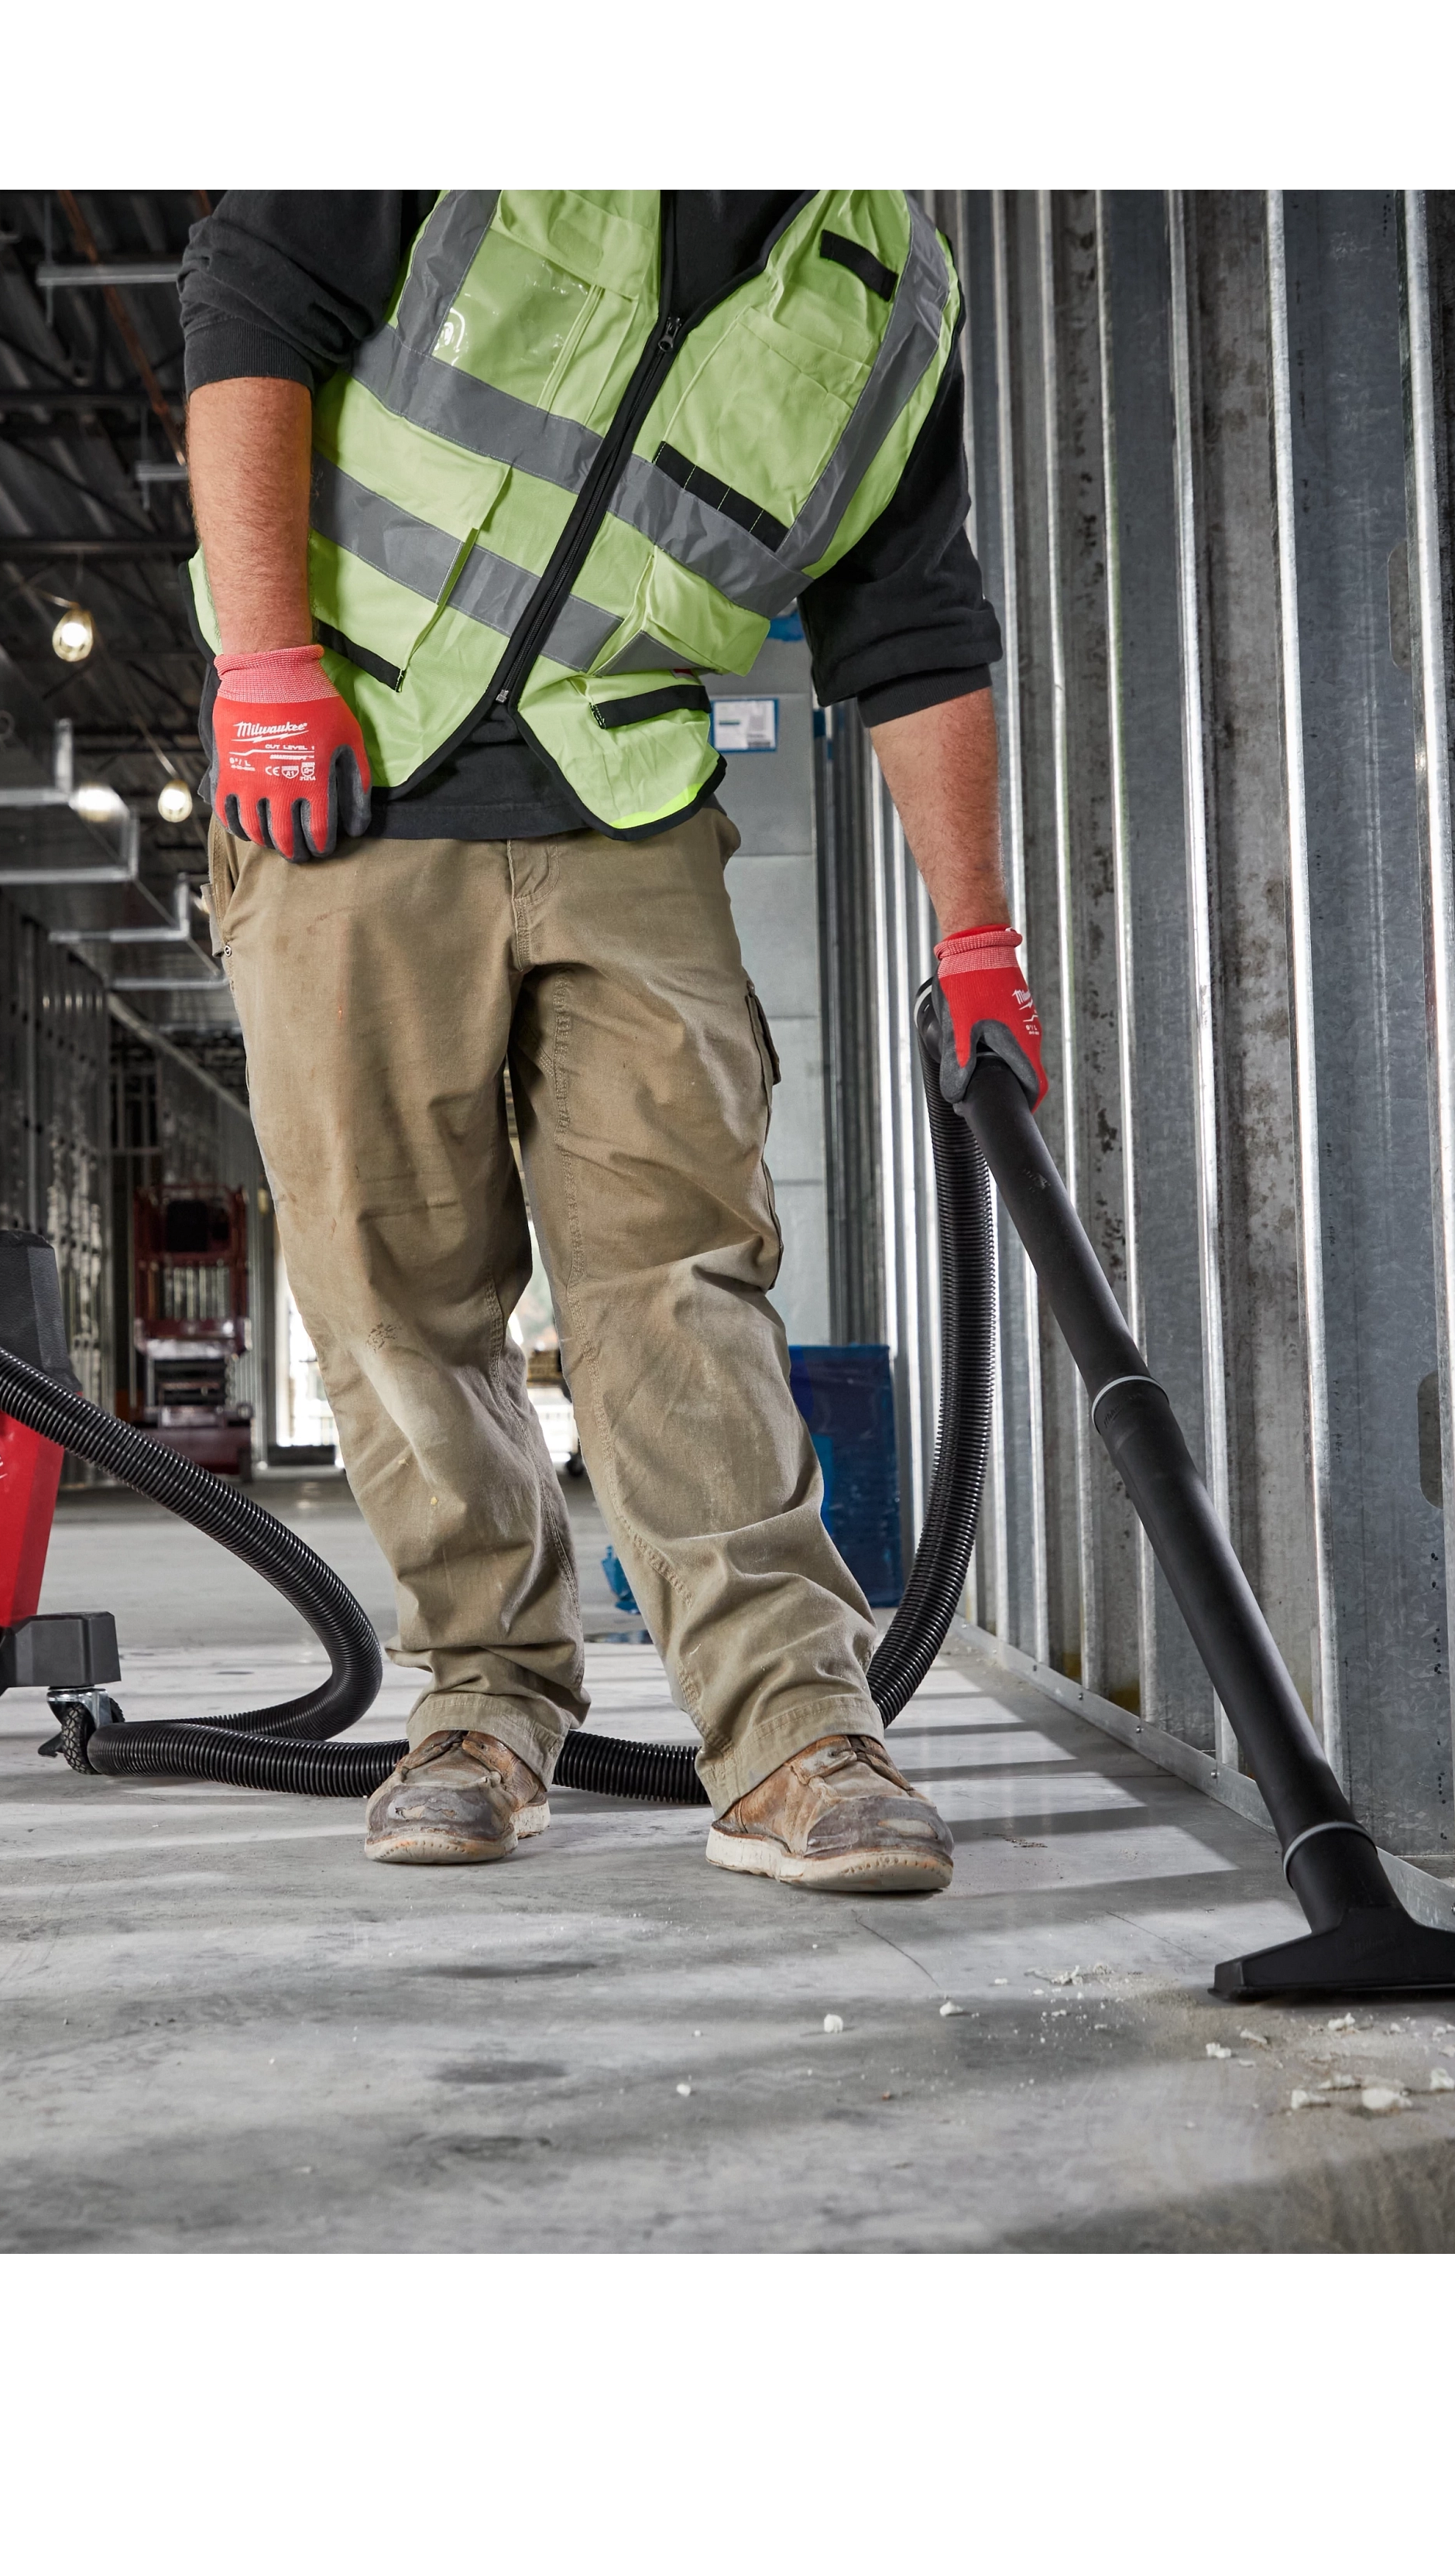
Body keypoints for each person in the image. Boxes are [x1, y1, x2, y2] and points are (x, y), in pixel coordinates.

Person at [177, 189, 1046, 1894]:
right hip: (352, 775)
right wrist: (266, 662)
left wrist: (975, 931)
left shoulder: (889, 294)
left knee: (679, 1273)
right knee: (391, 1287)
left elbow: (912, 618)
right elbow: (250, 301)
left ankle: (794, 1733)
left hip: (627, 807)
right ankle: (483, 1702)